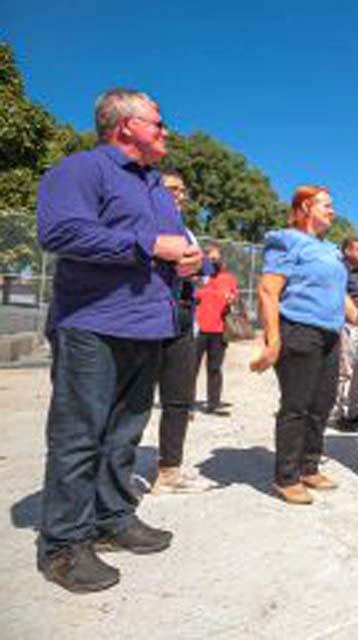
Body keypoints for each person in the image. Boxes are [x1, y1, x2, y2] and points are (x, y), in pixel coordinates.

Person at [36, 88, 201, 593]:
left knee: (125, 432)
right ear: (125, 125)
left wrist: (196, 262)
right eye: (158, 121)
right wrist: (148, 244)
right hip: (93, 323)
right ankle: (63, 544)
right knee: (79, 434)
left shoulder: (156, 188)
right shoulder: (82, 169)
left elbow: (178, 250)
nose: (166, 131)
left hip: (148, 328)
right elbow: (59, 232)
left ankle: (113, 519)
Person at [250, 185, 357, 505]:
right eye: (326, 204)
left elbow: (340, 295)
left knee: (322, 403)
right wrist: (272, 340)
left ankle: (309, 466)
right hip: (299, 330)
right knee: (296, 405)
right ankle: (286, 477)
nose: (332, 210)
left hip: (329, 334)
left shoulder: (331, 250)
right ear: (306, 206)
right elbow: (268, 291)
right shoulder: (286, 240)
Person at [151, 171, 209, 494]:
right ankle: (112, 473)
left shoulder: (185, 230)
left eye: (183, 190)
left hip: (182, 315)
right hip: (148, 316)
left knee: (178, 396)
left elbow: (204, 269)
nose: (181, 196)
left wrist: (199, 266)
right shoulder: (142, 222)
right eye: (174, 189)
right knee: (134, 399)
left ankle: (169, 468)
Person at [194, 242, 238, 415]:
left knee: (214, 368)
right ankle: (186, 404)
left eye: (217, 258)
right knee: (192, 368)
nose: (215, 261)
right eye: (211, 258)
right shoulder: (197, 277)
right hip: (198, 330)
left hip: (219, 330)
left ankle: (213, 403)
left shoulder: (228, 278)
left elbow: (235, 297)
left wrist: (232, 299)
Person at [333, 237, 358, 432]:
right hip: (347, 325)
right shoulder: (340, 271)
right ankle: (336, 414)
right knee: (344, 371)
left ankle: (354, 413)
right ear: (346, 251)